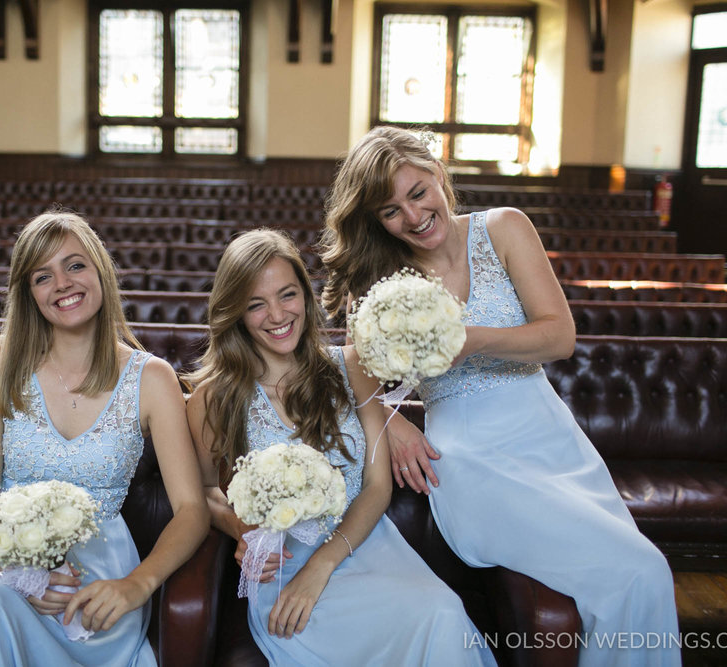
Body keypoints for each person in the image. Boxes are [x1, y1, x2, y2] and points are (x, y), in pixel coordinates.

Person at [320, 126, 681, 666]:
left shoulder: (505, 228)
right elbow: (350, 367)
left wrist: (469, 341)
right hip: (468, 456)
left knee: (641, 572)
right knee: (642, 571)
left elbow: (559, 336)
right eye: (390, 211)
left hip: (549, 437)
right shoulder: (380, 276)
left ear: (439, 176)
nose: (413, 217)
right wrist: (394, 425)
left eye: (418, 193)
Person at [0, 210, 209, 666]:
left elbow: (191, 509)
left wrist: (138, 584)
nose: (62, 283)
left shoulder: (152, 378)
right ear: (29, 294)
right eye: (42, 276)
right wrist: (15, 568)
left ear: (101, 270)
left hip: (99, 571)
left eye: (75, 265)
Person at [185, 228, 497, 666]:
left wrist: (323, 565)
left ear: (306, 298)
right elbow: (203, 493)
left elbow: (375, 485)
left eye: (287, 295)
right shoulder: (211, 399)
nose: (276, 315)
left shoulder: (351, 365)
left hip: (363, 544)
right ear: (235, 312)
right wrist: (240, 529)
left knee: (441, 614)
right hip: (284, 565)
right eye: (256, 304)